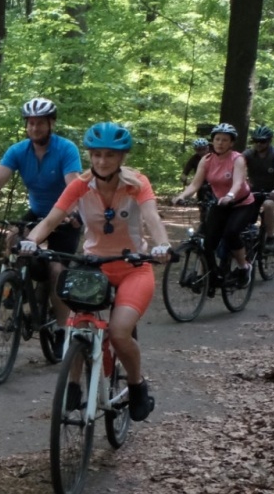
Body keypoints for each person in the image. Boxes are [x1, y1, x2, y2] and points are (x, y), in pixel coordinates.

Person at [19, 123, 173, 422]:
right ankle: (74, 383)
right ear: (90, 155)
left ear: (122, 158)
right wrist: (30, 241)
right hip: (93, 267)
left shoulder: (138, 184)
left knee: (117, 332)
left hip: (133, 268)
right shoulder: (79, 184)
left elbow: (152, 218)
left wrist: (162, 246)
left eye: (110, 156)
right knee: (77, 325)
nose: (102, 161)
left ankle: (136, 385)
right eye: (97, 155)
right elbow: (51, 219)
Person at [0, 98, 83, 323]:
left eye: (40, 123)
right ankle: (18, 285)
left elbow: (74, 185)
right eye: (30, 123)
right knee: (13, 239)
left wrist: (74, 213)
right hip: (37, 213)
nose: (34, 128)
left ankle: (61, 329)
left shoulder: (66, 149)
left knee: (57, 270)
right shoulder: (18, 150)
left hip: (65, 216)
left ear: (51, 124)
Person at [172, 123, 258, 286]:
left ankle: (244, 267)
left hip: (242, 203)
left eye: (225, 140)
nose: (220, 143)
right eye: (217, 139)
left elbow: (238, 182)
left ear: (231, 143)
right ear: (212, 141)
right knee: (208, 241)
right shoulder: (206, 160)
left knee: (231, 233)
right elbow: (195, 184)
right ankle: (209, 276)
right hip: (221, 204)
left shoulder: (237, 158)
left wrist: (230, 195)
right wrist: (181, 196)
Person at [244, 126, 274, 246]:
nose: (258, 144)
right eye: (256, 141)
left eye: (262, 141)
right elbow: (237, 165)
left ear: (269, 141)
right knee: (242, 209)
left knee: (268, 205)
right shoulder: (249, 154)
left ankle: (270, 237)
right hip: (255, 189)